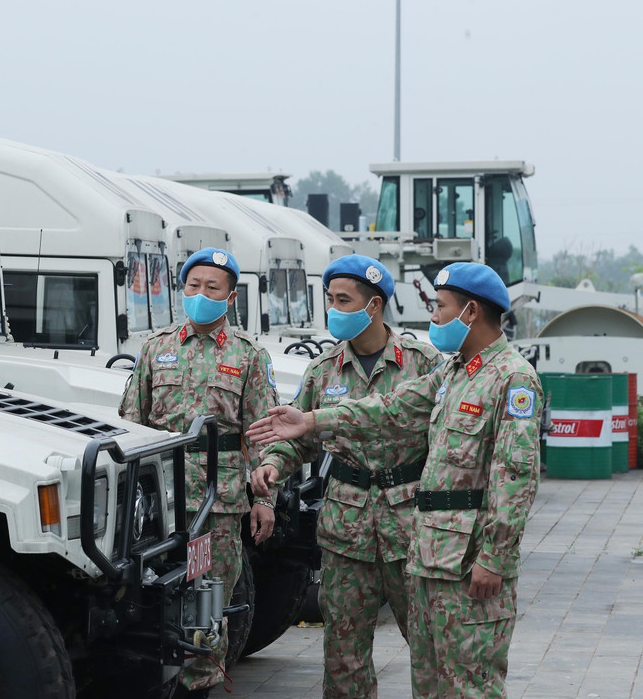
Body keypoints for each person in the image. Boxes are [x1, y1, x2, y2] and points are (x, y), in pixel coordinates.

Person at [248, 262, 542, 699]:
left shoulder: (511, 379)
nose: (434, 318)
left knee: (466, 681)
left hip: (461, 553)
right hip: (425, 549)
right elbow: (387, 408)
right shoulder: (454, 373)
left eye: (441, 308)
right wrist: (310, 420)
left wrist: (495, 557)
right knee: (430, 676)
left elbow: (515, 476)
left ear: (472, 312)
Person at [252, 254, 440, 698]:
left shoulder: (422, 363)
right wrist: (273, 465)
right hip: (347, 524)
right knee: (344, 650)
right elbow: (299, 436)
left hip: (408, 522)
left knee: (429, 642)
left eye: (343, 299)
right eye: (330, 299)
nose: (333, 308)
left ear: (373, 306)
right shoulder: (323, 370)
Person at [119, 246, 279, 699]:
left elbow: (264, 434)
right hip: (159, 503)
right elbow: (131, 422)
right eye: (193, 285)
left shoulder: (249, 356)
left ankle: (199, 688)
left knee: (208, 602)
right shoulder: (156, 348)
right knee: (152, 599)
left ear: (230, 298)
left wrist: (264, 499)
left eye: (213, 287)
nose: (201, 294)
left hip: (220, 503)